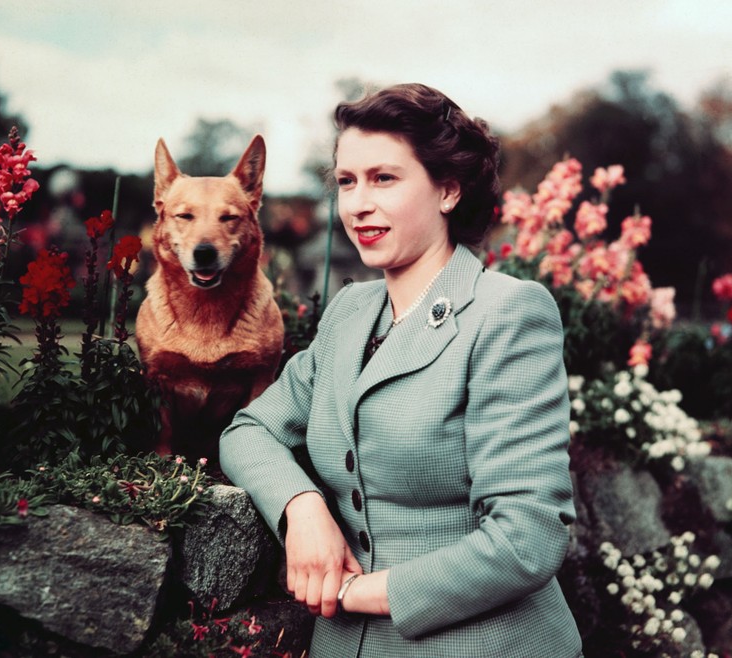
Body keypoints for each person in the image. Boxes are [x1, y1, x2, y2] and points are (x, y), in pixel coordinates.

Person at [220, 83, 583, 658]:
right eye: (346, 181)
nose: (358, 203)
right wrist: (303, 508)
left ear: (447, 189)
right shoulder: (349, 312)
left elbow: (528, 538)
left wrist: (364, 591)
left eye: (384, 178)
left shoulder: (507, 311)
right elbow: (249, 432)